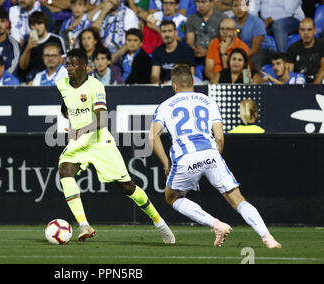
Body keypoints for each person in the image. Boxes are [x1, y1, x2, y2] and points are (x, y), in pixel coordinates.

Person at [149, 65, 282, 249]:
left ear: (174, 85)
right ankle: (268, 237)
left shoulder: (164, 106)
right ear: (193, 82)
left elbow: (153, 136)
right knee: (237, 198)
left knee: (172, 198)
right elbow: (219, 137)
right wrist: (212, 160)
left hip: (185, 156)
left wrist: (166, 163)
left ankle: (216, 224)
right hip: (211, 153)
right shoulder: (208, 101)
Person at [57, 48, 175, 244]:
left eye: (74, 64)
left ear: (85, 66)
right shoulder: (62, 84)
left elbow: (102, 120)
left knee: (127, 188)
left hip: (100, 141)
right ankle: (84, 224)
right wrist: (68, 113)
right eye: (67, 64)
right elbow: (67, 103)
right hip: (78, 143)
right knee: (65, 170)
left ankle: (159, 223)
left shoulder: (95, 87)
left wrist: (80, 130)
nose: (69, 68)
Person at [18, 11, 66, 83]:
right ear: (30, 27)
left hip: (52, 75)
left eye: (39, 23)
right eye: (33, 24)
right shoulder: (27, 42)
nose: (36, 27)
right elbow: (22, 66)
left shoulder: (56, 39)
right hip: (31, 77)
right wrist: (28, 48)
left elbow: (61, 62)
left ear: (45, 24)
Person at [231, 0, 276, 72]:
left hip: (264, 50)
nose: (239, 9)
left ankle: (255, 81)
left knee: (252, 61)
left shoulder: (257, 22)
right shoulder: (230, 21)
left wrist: (239, 56)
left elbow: (254, 50)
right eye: (235, 6)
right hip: (241, 51)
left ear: (247, 7)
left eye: (242, 6)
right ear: (231, 8)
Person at [151, 20, 195, 85]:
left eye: (170, 31)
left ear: (176, 32)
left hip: (183, 86)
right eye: (164, 31)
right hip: (163, 87)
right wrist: (160, 84)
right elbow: (154, 76)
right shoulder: (157, 51)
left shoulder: (186, 49)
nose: (167, 34)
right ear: (160, 33)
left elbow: (191, 74)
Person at [287, 18, 324, 84]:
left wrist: (315, 87)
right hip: (300, 85)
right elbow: (290, 74)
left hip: (319, 83)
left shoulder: (322, 44)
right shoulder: (293, 48)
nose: (306, 33)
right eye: (302, 30)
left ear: (314, 31)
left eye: (309, 30)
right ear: (299, 32)